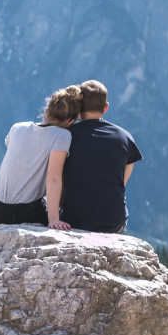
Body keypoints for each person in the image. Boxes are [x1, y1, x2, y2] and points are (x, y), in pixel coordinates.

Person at [0, 85, 82, 229]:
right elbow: (53, 178)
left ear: (47, 112)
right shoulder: (62, 136)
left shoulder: (17, 127)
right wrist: (53, 219)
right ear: (71, 122)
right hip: (28, 213)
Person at [60, 80, 142, 233]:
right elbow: (120, 181)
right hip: (113, 222)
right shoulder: (125, 137)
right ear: (106, 107)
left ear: (78, 107)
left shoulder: (65, 136)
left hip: (74, 220)